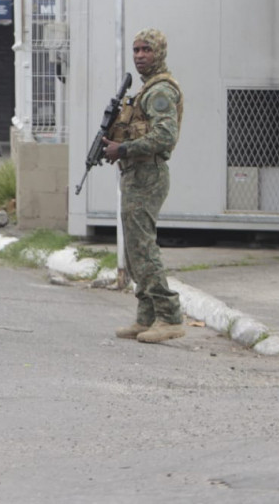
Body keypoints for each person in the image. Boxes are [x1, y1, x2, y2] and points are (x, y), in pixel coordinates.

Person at [102, 28, 185, 344]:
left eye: (146, 50)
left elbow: (165, 137)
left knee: (143, 248)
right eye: (136, 50)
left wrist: (122, 150)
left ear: (159, 53)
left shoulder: (160, 92)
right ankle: (146, 316)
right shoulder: (147, 90)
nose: (139, 56)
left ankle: (169, 316)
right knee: (134, 249)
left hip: (148, 175)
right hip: (135, 173)